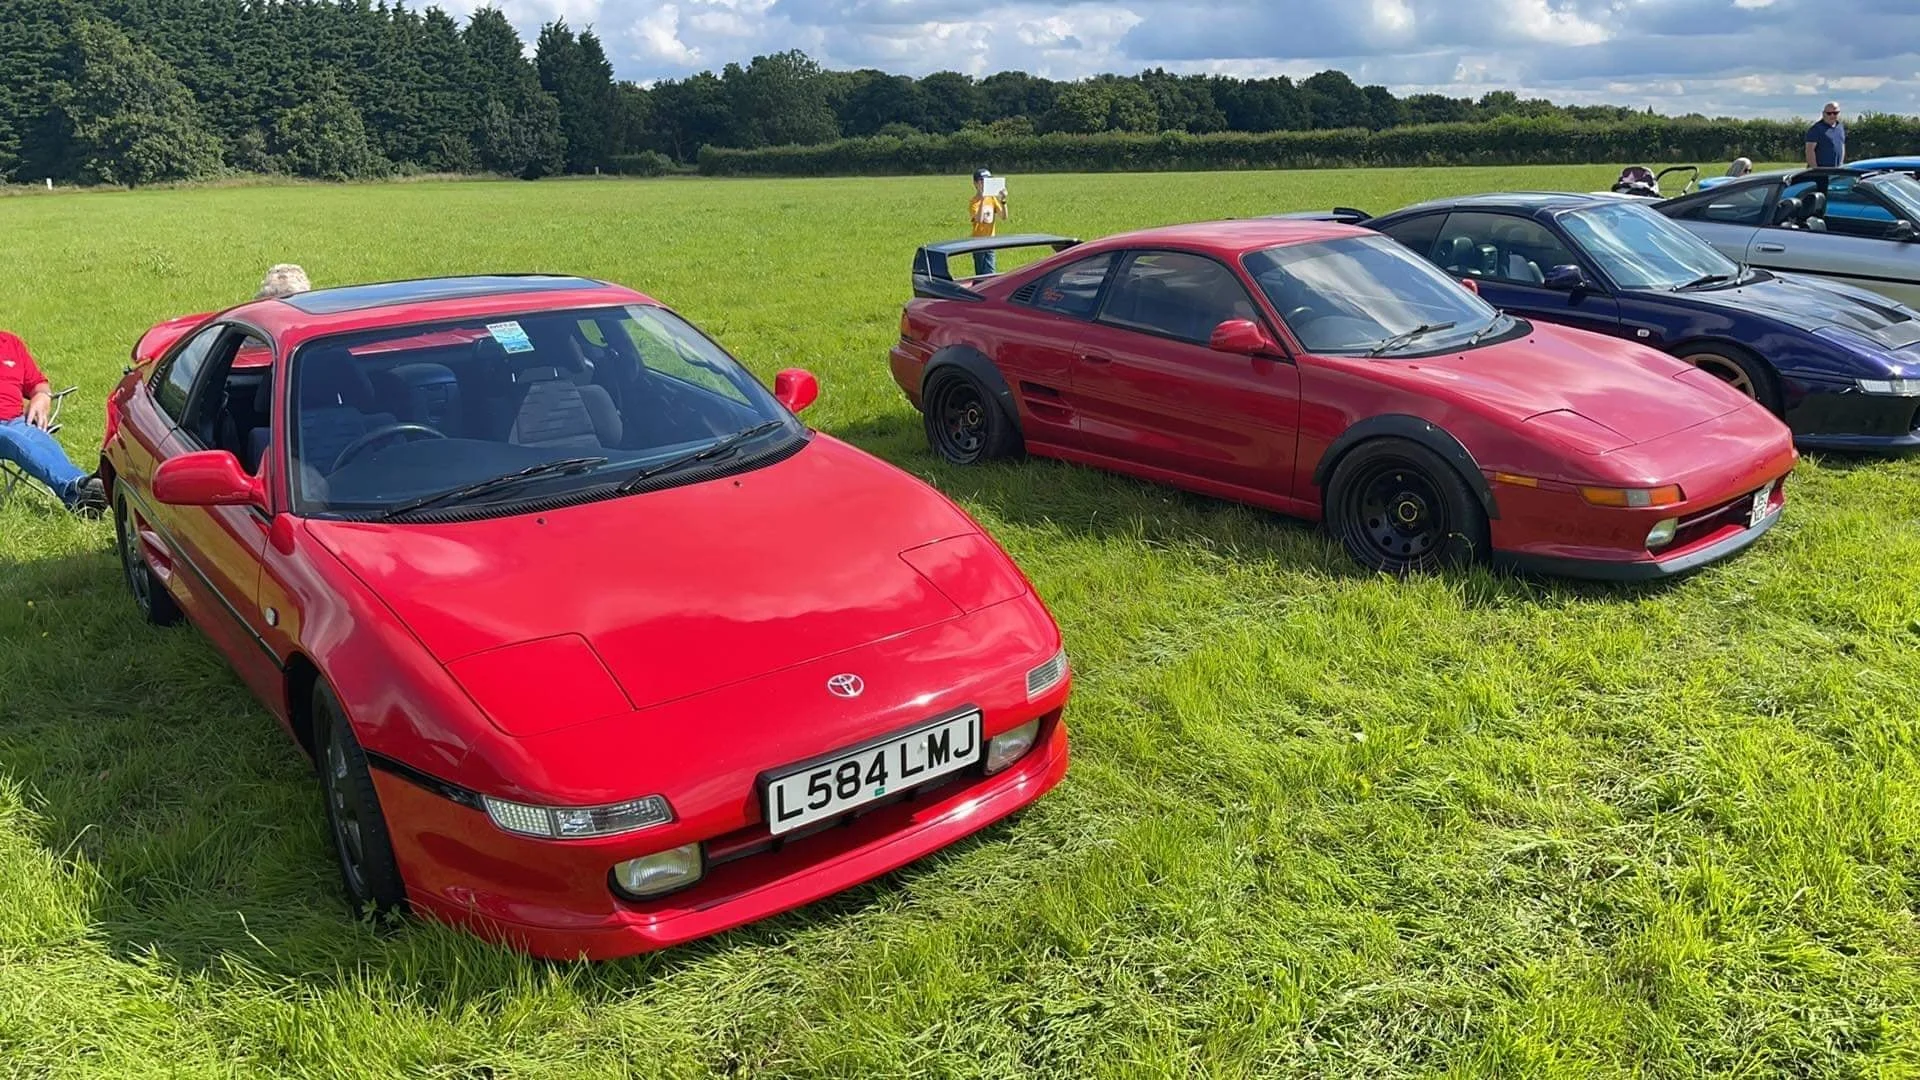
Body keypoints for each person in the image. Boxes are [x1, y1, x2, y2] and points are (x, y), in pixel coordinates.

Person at [0, 329, 105, 513]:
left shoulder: (10, 343)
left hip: (16, 421)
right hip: (8, 432)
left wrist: (42, 396)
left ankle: (80, 497)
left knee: (41, 440)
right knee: (14, 439)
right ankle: (76, 486)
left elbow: (38, 384)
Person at [968, 169, 1009, 276]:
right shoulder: (973, 202)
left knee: (991, 272)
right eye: (982, 181)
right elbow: (979, 219)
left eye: (987, 181)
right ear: (975, 183)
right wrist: (982, 199)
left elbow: (1004, 216)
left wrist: (1003, 200)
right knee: (981, 274)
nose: (984, 184)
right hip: (978, 242)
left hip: (990, 240)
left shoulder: (992, 199)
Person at [1806, 102, 1846, 168]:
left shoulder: (1840, 127)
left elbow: (1842, 146)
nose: (1832, 115)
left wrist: (1841, 164)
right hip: (1822, 171)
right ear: (1823, 114)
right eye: (1829, 113)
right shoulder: (1816, 129)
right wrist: (1815, 170)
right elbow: (1809, 151)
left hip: (1836, 170)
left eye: (1835, 113)